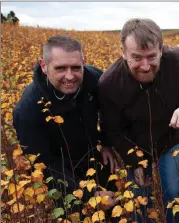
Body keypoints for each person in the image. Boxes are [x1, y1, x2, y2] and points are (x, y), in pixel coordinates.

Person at [98, 18, 179, 222]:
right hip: (134, 146)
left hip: (170, 142)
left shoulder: (178, 60)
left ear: (162, 49)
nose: (145, 66)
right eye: (136, 57)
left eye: (151, 56)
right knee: (139, 201)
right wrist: (134, 160)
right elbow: (112, 130)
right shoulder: (109, 83)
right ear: (123, 53)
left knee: (176, 194)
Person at [13, 35, 108, 195]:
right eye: (60, 68)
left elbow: (111, 110)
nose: (70, 76)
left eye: (76, 68)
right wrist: (88, 196)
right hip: (61, 177)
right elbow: (44, 165)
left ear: (83, 62)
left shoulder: (95, 79)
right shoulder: (28, 108)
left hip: (95, 160)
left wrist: (108, 143)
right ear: (44, 66)